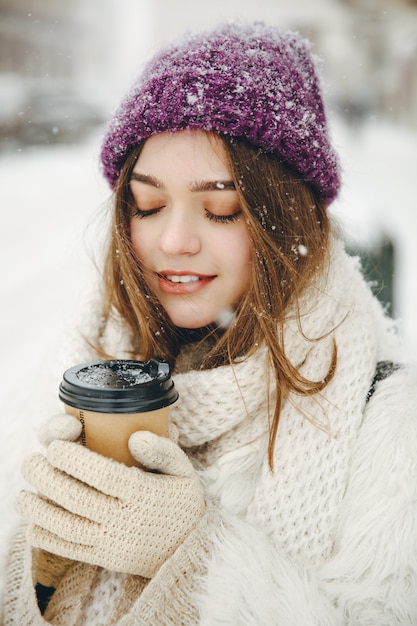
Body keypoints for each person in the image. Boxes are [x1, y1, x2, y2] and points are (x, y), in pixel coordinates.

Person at [2, 20, 417, 626]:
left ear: (286, 219)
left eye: (220, 210)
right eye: (147, 205)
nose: (172, 241)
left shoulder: (388, 420)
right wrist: (37, 568)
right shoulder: (78, 363)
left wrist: (198, 559)